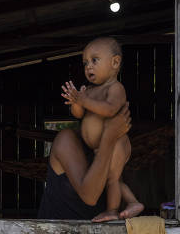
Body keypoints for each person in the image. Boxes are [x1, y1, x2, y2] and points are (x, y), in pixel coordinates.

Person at [60, 36, 143, 222]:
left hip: (116, 142)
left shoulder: (115, 88)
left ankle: (112, 210)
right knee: (113, 178)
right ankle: (133, 203)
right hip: (101, 147)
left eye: (94, 60)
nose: (88, 66)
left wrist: (84, 100)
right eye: (85, 63)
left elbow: (110, 109)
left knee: (112, 179)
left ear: (115, 63)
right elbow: (78, 115)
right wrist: (76, 101)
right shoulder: (88, 91)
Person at [37, 101, 133, 220]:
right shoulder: (66, 140)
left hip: (98, 230)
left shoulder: (112, 146)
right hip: (56, 230)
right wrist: (108, 139)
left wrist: (128, 207)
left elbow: (115, 187)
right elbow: (90, 197)